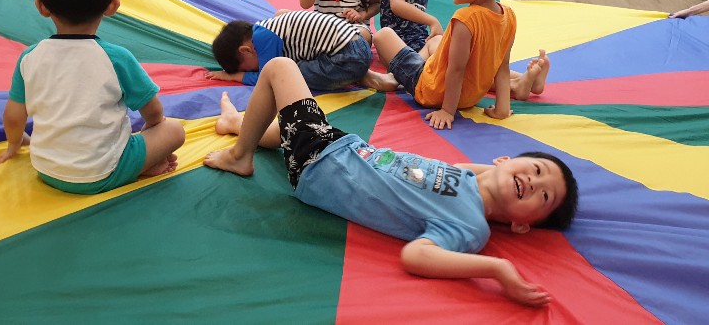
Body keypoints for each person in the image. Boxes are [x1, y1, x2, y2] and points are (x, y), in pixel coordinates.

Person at [204, 57, 578, 306]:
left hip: (321, 166)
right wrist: (500, 170)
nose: (534, 182)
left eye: (544, 196)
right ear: (504, 161)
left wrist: (497, 268)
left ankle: (240, 157)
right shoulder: (470, 177)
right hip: (345, 148)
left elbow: (416, 255)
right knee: (291, 131)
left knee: (279, 68)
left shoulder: (471, 228)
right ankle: (237, 124)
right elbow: (488, 172)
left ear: (521, 224)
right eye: (536, 170)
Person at [0, 0, 185, 194]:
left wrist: (14, 144)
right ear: (112, 6)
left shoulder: (29, 57)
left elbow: (13, 116)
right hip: (103, 172)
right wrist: (151, 138)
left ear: (41, 6)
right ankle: (137, 167)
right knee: (174, 130)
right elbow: (154, 113)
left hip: (47, 170)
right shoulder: (117, 58)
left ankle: (137, 163)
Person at [363, 0, 549, 129]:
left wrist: (447, 111)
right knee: (435, 41)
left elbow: (456, 70)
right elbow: (502, 67)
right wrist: (502, 109)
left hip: (431, 91)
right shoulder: (508, 15)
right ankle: (519, 84)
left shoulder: (465, 19)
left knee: (383, 35)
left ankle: (393, 80)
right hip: (470, 98)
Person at [209, 10, 372, 91]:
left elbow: (266, 77)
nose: (253, 70)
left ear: (245, 51)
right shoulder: (264, 29)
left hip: (348, 58)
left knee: (288, 75)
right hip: (354, 48)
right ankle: (360, 74)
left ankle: (361, 75)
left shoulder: (262, 38)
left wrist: (234, 76)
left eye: (247, 69)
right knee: (292, 65)